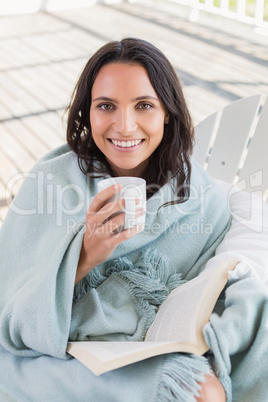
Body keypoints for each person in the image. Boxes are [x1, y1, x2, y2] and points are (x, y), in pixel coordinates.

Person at [0, 38, 267, 402]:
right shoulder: (52, 183)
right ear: (87, 113)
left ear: (167, 112)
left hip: (143, 350)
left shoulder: (199, 197)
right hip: (53, 357)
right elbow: (11, 315)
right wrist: (83, 256)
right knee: (197, 391)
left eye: (144, 105)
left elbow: (201, 295)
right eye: (106, 106)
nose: (125, 127)